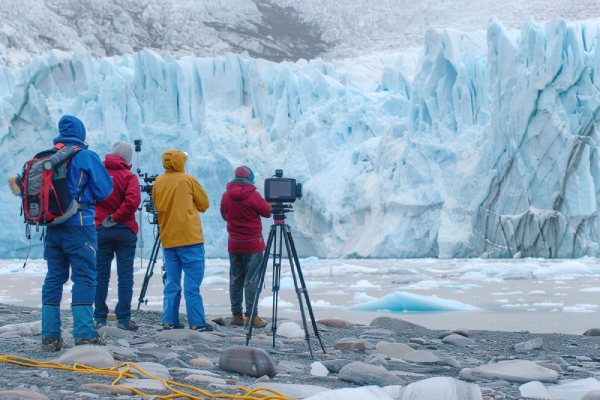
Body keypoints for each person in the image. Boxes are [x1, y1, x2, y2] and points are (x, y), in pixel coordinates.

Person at [41, 115, 113, 351]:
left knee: (54, 277)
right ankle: (84, 334)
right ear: (81, 133)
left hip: (52, 228)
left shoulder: (46, 157)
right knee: (84, 277)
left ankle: (50, 337)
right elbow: (105, 190)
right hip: (80, 225)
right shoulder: (85, 156)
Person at [152, 150, 212, 331]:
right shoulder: (188, 180)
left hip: (169, 240)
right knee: (192, 285)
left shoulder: (158, 182)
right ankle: (197, 323)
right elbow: (204, 205)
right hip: (190, 239)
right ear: (180, 162)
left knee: (171, 283)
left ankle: (169, 321)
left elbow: (156, 206)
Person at [94, 141, 141, 331]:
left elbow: (91, 197)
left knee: (100, 275)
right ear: (127, 158)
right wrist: (117, 217)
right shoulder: (129, 177)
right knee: (125, 276)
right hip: (125, 230)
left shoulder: (99, 174)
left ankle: (99, 317)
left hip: (101, 229)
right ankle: (123, 319)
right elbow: (133, 201)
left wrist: (107, 218)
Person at [220, 166, 271, 327]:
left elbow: (224, 215)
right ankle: (252, 317)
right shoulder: (253, 195)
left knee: (235, 280)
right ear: (250, 178)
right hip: (253, 244)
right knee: (252, 280)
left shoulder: (226, 195)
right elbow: (267, 212)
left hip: (234, 244)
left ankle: (236, 315)